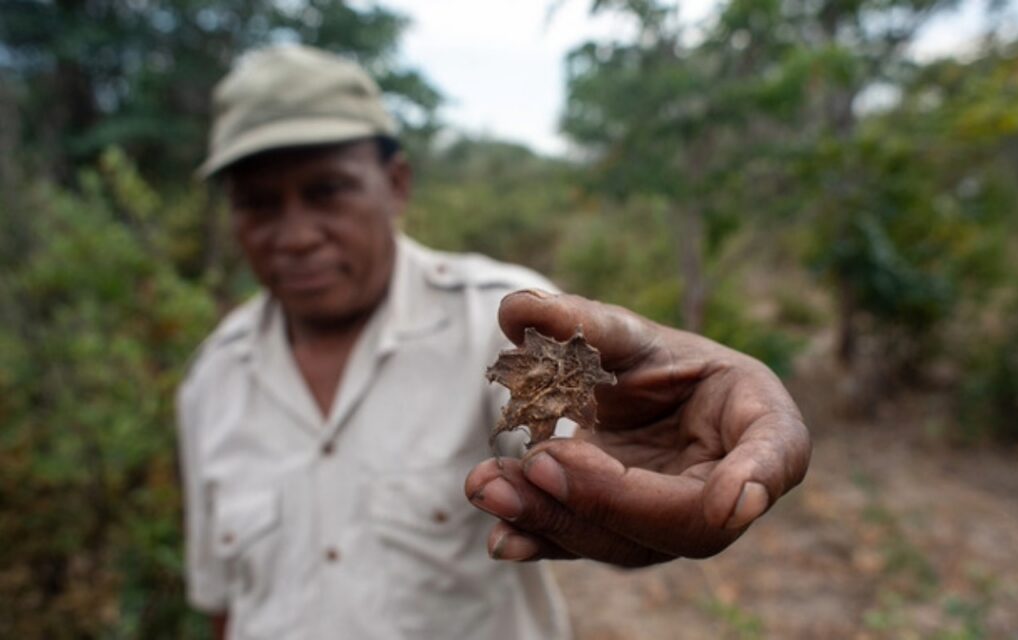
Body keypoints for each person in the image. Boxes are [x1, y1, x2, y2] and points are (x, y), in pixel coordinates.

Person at [177, 44, 811, 640]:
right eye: (259, 204)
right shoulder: (214, 380)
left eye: (327, 191)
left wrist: (653, 437)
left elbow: (598, 458)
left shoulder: (502, 319)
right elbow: (224, 605)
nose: (294, 235)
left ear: (395, 184)